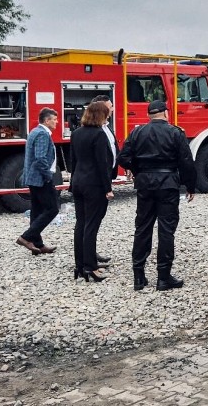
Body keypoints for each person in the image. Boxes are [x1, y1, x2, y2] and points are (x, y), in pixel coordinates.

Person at [117, 99, 197, 291]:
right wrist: (190, 186)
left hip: (145, 184)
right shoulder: (175, 132)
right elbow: (186, 161)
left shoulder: (137, 132)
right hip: (168, 183)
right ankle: (163, 276)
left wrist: (137, 169)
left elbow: (123, 158)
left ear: (149, 115)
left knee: (142, 228)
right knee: (166, 229)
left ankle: (139, 276)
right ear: (166, 113)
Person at [69, 101, 114, 282]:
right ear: (100, 115)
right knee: (91, 226)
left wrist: (73, 182)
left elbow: (73, 161)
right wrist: (108, 188)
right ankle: (90, 267)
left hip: (78, 182)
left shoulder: (76, 134)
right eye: (106, 113)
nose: (108, 116)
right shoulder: (99, 135)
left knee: (80, 224)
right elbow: (102, 165)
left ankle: (79, 265)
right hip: (94, 185)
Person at [16, 107, 60, 255]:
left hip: (33, 178)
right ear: (47, 121)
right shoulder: (42, 134)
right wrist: (48, 176)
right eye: (54, 119)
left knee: (36, 211)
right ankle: (26, 237)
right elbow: (40, 158)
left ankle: (37, 244)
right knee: (52, 209)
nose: (57, 122)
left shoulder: (34, 131)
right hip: (40, 179)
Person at [89, 94, 118, 266]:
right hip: (97, 183)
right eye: (109, 107)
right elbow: (99, 161)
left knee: (95, 220)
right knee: (90, 222)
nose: (112, 109)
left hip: (104, 178)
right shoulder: (96, 132)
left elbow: (113, 147)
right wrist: (107, 187)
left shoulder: (106, 128)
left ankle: (91, 253)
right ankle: (88, 259)